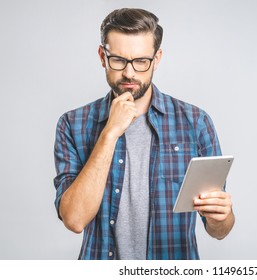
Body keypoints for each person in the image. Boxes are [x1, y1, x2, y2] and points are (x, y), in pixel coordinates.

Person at [53, 8, 234, 260]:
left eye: (141, 61)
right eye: (118, 60)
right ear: (102, 56)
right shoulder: (73, 124)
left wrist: (221, 217)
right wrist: (109, 133)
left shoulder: (196, 122)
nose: (129, 73)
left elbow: (219, 230)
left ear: (156, 59)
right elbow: (74, 219)